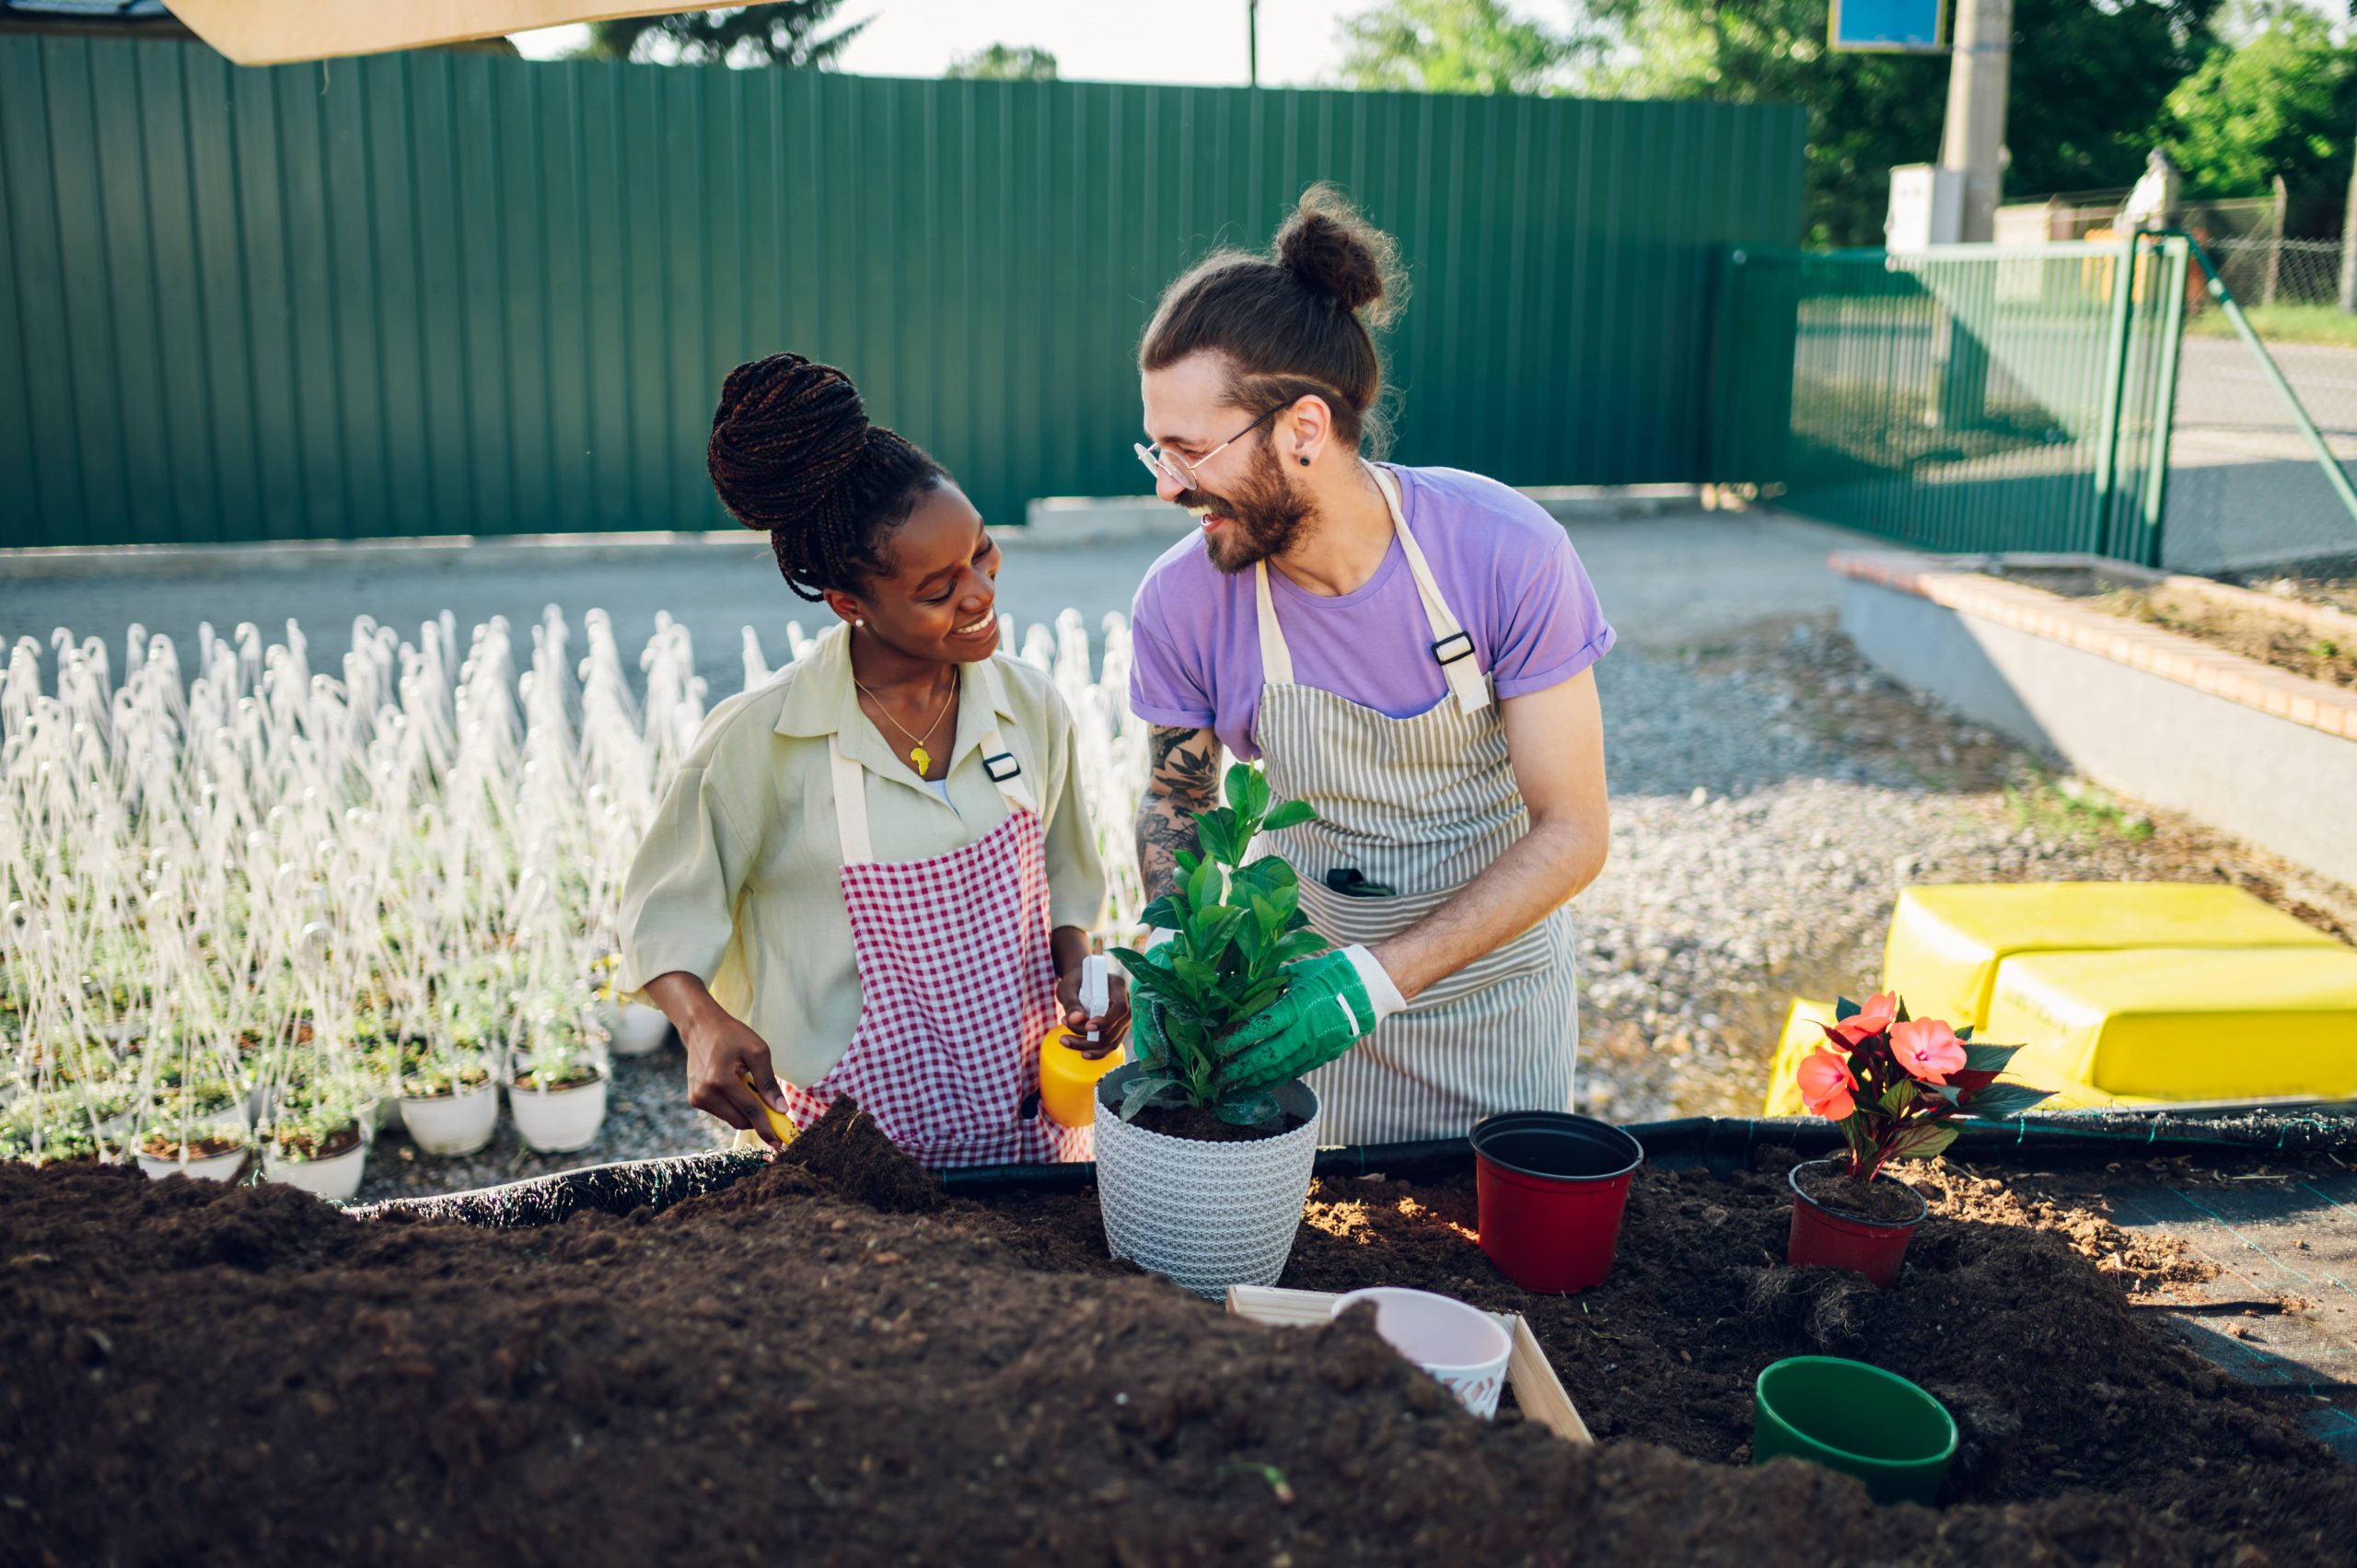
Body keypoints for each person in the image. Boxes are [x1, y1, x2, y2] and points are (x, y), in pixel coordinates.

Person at [1127, 186, 1613, 1145]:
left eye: (1188, 451)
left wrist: (1377, 980)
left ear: (1302, 429)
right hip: (1297, 1018)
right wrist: (1170, 938)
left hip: (1494, 1005)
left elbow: (1574, 831)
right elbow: (1177, 799)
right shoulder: (1181, 598)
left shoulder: (1503, 550)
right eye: (1156, 447)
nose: (1164, 484)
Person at [616, 353, 1126, 1167]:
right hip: (856, 1166)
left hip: (1031, 1138)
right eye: (937, 589)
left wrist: (1085, 977)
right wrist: (701, 1022)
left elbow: (1067, 884)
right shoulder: (760, 741)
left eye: (983, 554)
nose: (981, 593)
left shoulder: (1029, 707)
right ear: (851, 605)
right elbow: (660, 918)